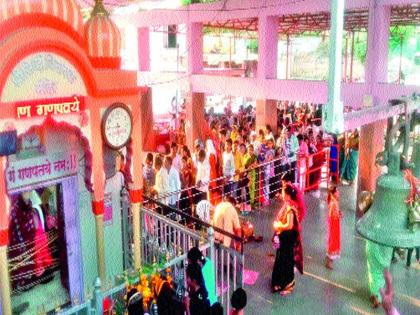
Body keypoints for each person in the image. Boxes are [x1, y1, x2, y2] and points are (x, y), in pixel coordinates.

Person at [271, 183, 304, 295]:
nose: (282, 194)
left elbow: (289, 225)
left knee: (286, 260)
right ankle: (280, 282)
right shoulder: (288, 204)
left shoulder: (290, 208)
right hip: (285, 237)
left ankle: (287, 285)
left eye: (283, 192)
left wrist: (278, 226)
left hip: (287, 238)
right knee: (281, 259)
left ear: (288, 194)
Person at [366, 240, 393, 308]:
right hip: (386, 249)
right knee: (382, 274)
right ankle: (379, 295)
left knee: (373, 272)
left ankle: (375, 296)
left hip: (373, 246)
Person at [326, 186, 342, 270]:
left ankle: (329, 258)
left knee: (333, 240)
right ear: (334, 193)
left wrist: (338, 214)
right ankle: (329, 261)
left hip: (335, 224)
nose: (338, 193)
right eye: (337, 192)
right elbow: (331, 215)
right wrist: (339, 216)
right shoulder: (333, 203)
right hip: (334, 224)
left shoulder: (334, 201)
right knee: (333, 241)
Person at [206, 139, 221, 205]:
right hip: (214, 174)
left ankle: (212, 203)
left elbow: (210, 167)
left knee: (211, 190)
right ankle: (215, 203)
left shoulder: (210, 155)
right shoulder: (214, 153)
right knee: (214, 190)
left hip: (211, 175)